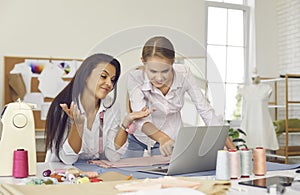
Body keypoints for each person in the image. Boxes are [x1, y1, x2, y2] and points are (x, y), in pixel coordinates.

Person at [124, 36, 236, 158]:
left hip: (169, 137)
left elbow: (205, 110)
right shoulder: (135, 78)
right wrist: (162, 138)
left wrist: (233, 150)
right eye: (153, 71)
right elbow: (141, 118)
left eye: (165, 71)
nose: (159, 78)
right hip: (140, 137)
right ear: (143, 62)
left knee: (162, 174)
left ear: (173, 62)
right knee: (130, 172)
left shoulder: (184, 74)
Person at [45, 53, 151, 165]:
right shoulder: (64, 107)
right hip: (60, 172)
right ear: (86, 76)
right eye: (103, 76)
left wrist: (125, 123)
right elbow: (68, 159)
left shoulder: (111, 106)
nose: (109, 84)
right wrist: (77, 127)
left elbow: (112, 156)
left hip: (90, 171)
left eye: (113, 80)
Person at [240, 71, 279, 150]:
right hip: (249, 122)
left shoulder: (267, 88)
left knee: (263, 145)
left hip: (262, 121)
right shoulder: (245, 89)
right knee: (247, 145)